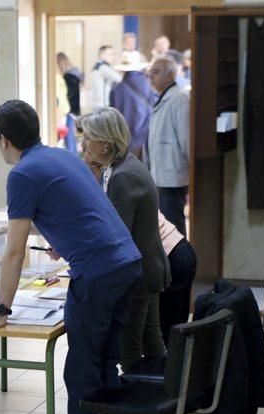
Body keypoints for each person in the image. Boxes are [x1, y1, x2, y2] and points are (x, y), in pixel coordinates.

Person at [0, 100, 142, 414]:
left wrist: (1, 310)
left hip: (97, 275)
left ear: (4, 140)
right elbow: (75, 213)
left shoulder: (22, 173)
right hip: (126, 264)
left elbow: (13, 255)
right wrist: (13, 231)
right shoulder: (60, 156)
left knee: (81, 375)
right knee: (103, 369)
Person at [79, 108, 170, 371]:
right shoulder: (122, 166)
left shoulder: (123, 176)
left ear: (106, 143)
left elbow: (114, 235)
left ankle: (140, 406)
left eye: (89, 138)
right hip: (148, 267)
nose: (85, 145)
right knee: (152, 342)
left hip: (137, 275)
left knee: (129, 351)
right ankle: (163, 399)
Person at [147, 57, 190, 238]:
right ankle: (172, 263)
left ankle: (180, 265)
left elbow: (186, 138)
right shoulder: (164, 98)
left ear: (171, 75)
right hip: (162, 175)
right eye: (150, 72)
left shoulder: (179, 99)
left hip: (173, 176)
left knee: (174, 227)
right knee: (166, 226)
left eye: (156, 72)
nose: (150, 76)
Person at [157, 210, 196, 345]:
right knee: (173, 334)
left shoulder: (117, 193)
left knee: (171, 335)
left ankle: (173, 364)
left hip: (173, 259)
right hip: (179, 252)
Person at [109, 51, 154, 158]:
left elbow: (113, 116)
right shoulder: (150, 85)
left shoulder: (117, 89)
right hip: (148, 136)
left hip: (125, 139)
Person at [56, 52, 83, 153]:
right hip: (74, 110)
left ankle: (72, 157)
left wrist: (66, 109)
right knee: (70, 136)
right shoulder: (74, 75)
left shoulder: (68, 77)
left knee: (69, 137)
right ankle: (73, 156)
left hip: (69, 110)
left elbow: (68, 96)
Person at [89, 45, 122, 111]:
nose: (112, 57)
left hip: (96, 105)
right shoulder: (103, 68)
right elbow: (120, 80)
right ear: (101, 55)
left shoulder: (97, 67)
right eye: (110, 54)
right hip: (103, 106)